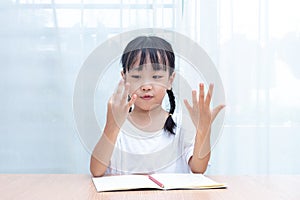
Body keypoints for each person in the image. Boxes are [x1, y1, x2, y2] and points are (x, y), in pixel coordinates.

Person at [90, 36, 225, 177]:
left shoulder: (181, 126)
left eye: (156, 77)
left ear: (170, 80)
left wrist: (203, 130)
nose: (146, 86)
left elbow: (199, 168)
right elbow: (96, 170)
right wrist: (111, 127)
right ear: (124, 78)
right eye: (137, 76)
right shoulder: (117, 127)